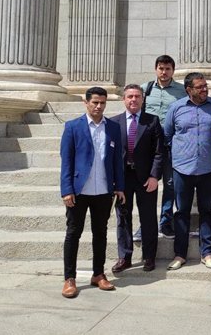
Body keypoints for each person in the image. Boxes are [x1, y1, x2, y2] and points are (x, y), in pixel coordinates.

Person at [60, 87, 125, 298]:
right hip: (79, 191)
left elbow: (117, 161)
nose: (99, 106)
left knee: (101, 233)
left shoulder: (113, 128)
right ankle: (69, 278)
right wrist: (66, 189)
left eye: (102, 103)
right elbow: (66, 161)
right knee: (73, 233)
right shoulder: (73, 127)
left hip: (103, 191)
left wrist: (119, 186)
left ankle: (98, 274)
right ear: (86, 103)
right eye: (95, 102)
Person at [164, 73, 211, 271]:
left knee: (207, 211)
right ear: (188, 90)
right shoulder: (176, 108)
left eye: (205, 86)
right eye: (199, 87)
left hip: (208, 169)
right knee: (182, 212)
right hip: (182, 169)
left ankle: (206, 253)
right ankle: (180, 254)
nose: (204, 90)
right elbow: (168, 135)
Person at [110, 84, 164, 273]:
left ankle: (149, 257)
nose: (133, 99)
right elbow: (110, 154)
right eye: (130, 96)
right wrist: (114, 182)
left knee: (148, 218)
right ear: (124, 99)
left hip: (146, 179)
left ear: (143, 99)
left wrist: (154, 176)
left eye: (137, 96)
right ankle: (124, 257)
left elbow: (159, 152)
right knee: (123, 218)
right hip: (123, 180)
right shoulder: (114, 123)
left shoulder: (153, 121)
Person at [139, 54, 187, 240]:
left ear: (173, 70)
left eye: (167, 68)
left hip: (169, 144)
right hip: (147, 145)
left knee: (169, 184)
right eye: (161, 68)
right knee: (145, 185)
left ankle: (165, 221)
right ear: (156, 69)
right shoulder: (145, 89)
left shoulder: (181, 91)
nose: (164, 72)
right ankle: (145, 223)